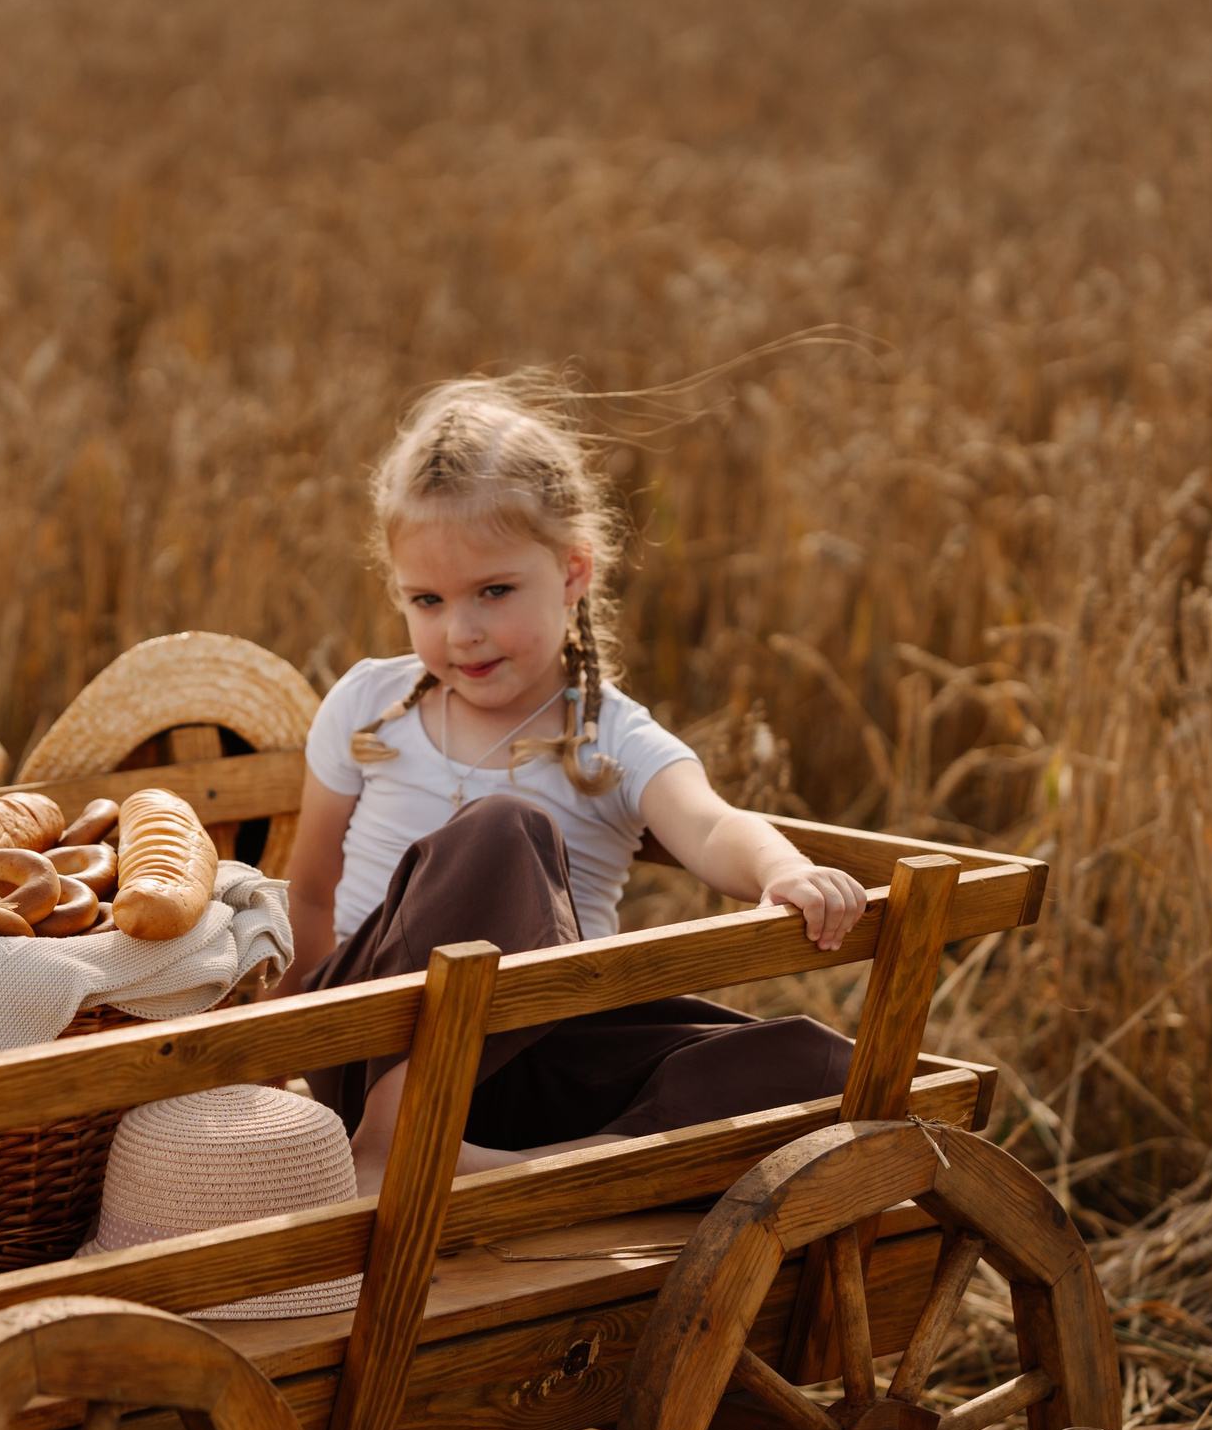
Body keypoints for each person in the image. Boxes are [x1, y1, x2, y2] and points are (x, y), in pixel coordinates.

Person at [267, 376, 870, 1197]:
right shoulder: (371, 705)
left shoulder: (608, 735)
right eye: (428, 600)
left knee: (821, 1066)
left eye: (494, 591)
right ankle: (389, 1142)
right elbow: (310, 894)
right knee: (502, 832)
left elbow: (708, 824)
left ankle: (533, 1168)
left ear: (574, 571)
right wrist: (285, 1051)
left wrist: (781, 871)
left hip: (529, 1051)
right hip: (372, 1039)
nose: (462, 629)